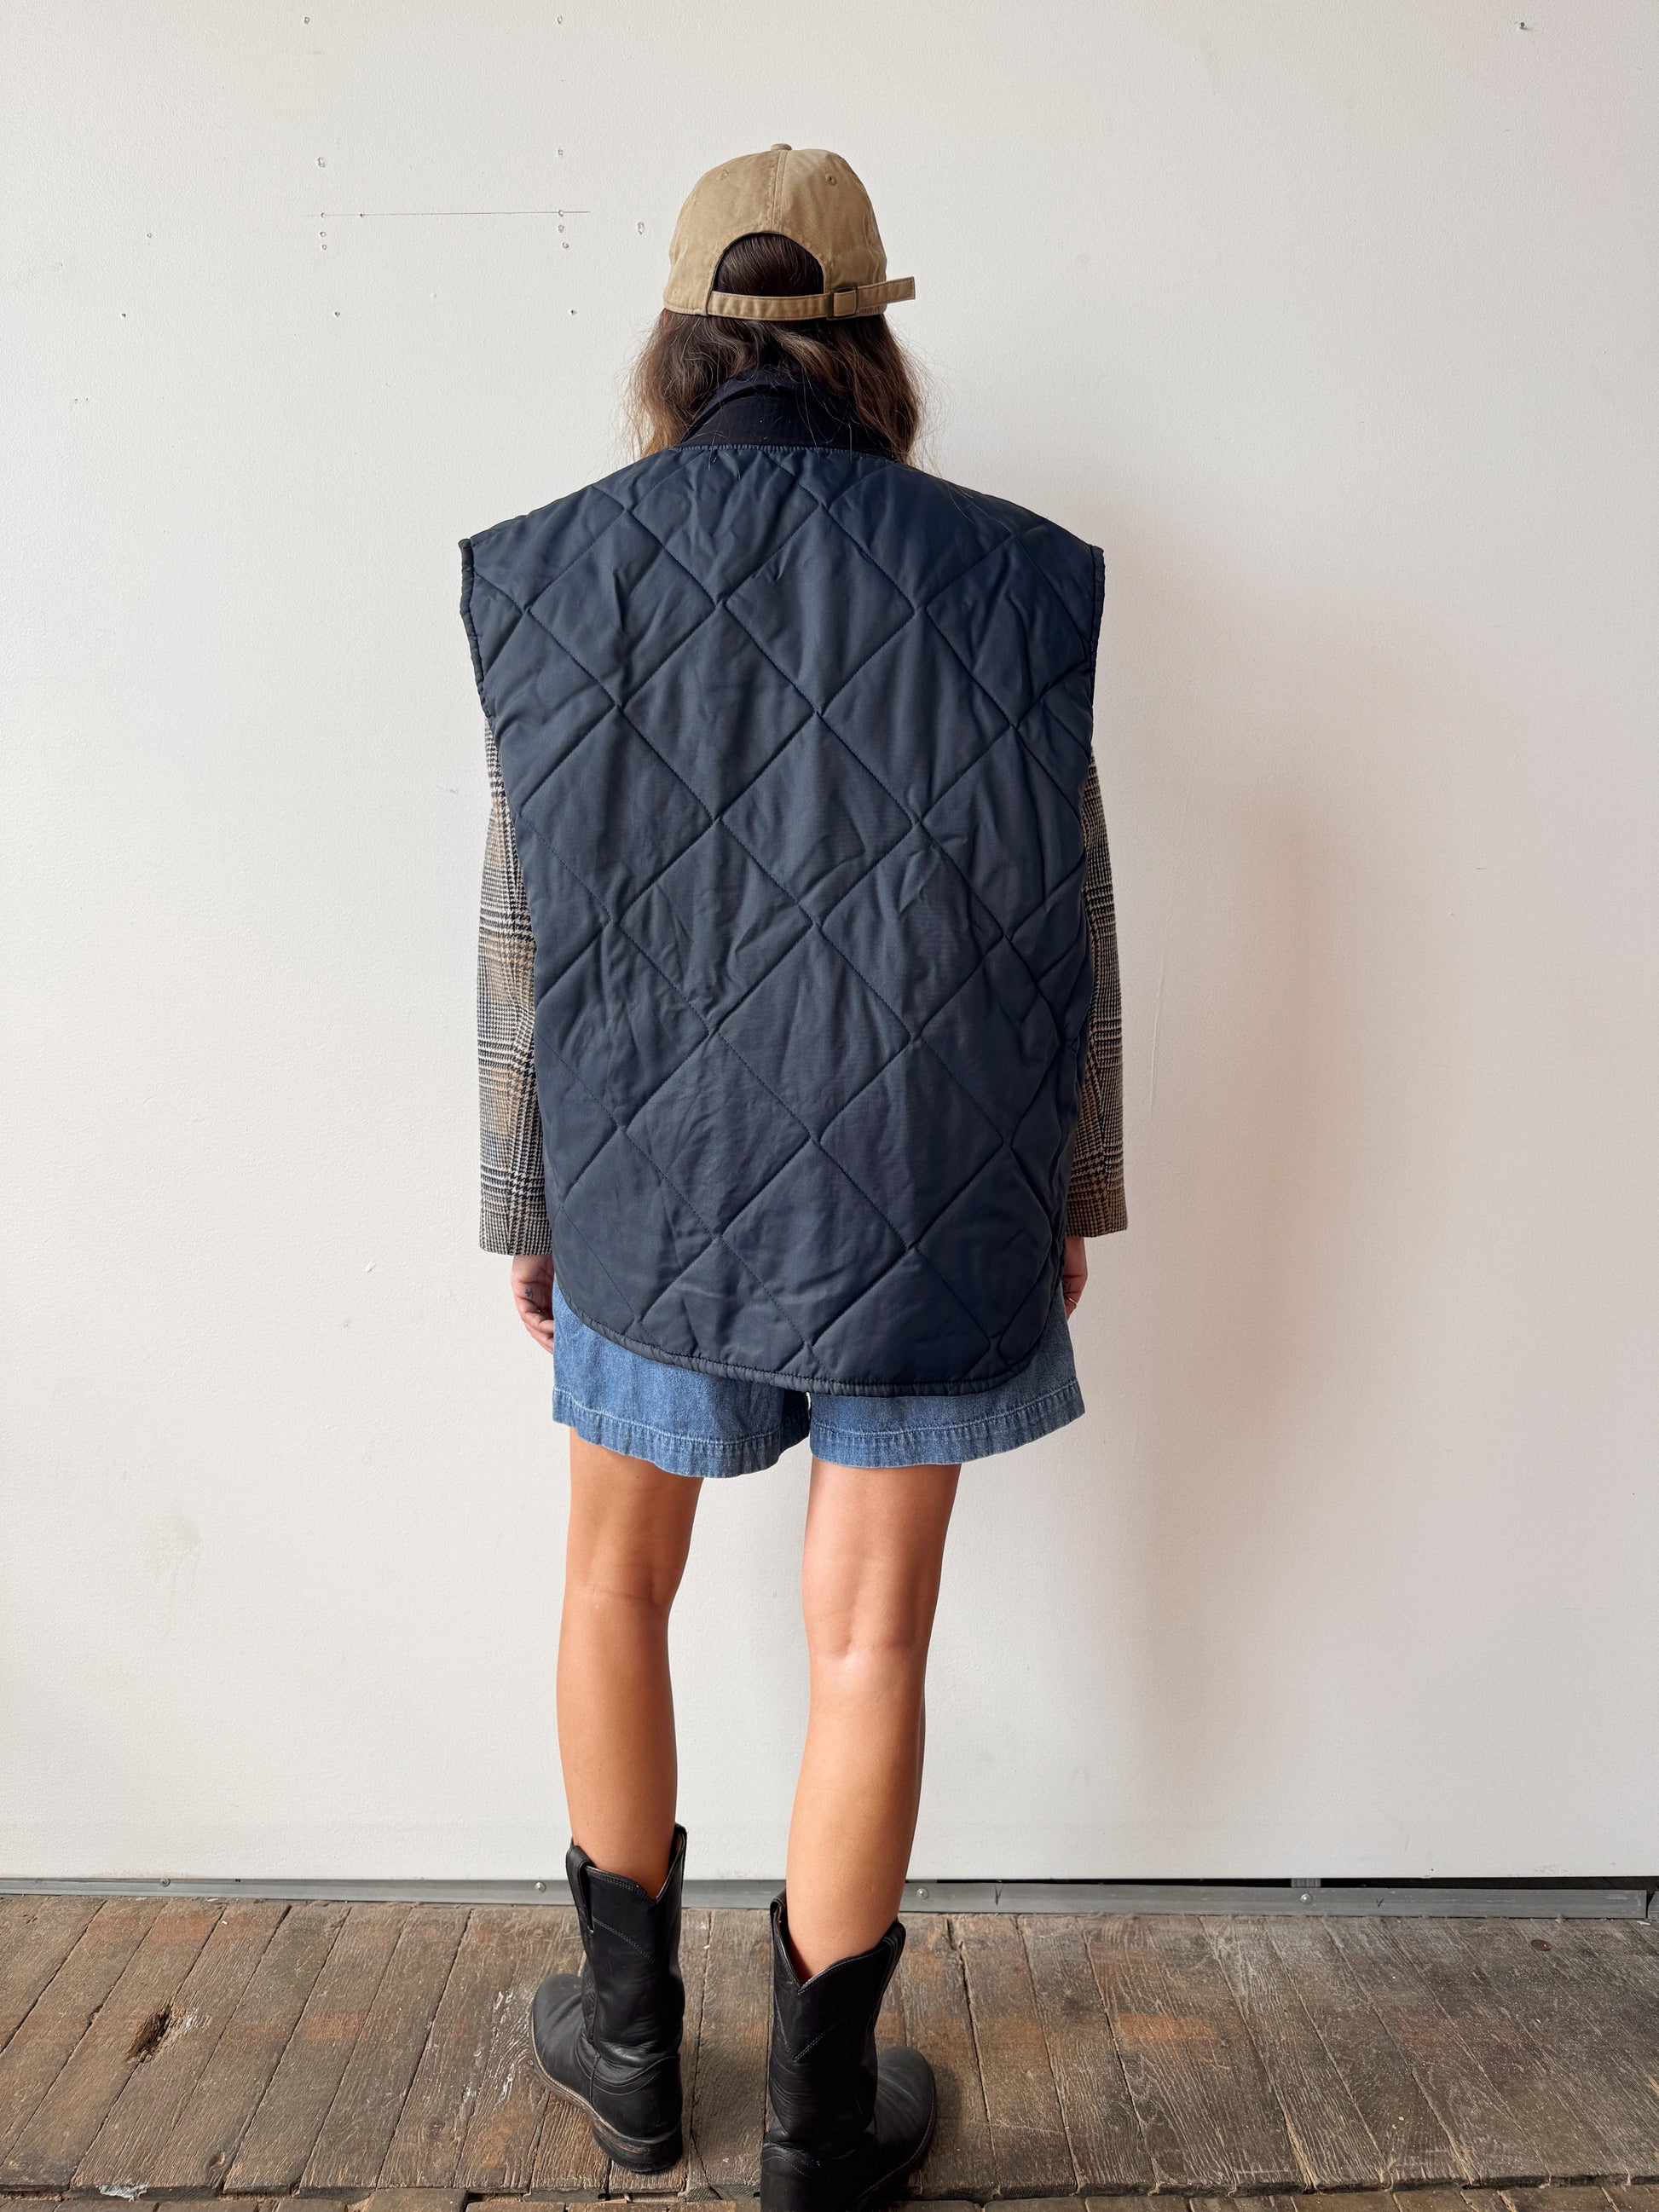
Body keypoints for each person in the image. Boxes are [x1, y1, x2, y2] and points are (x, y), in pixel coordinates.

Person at [463, 144, 1124, 2212]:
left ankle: (630, 2055)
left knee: (610, 1582)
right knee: (870, 1645)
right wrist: (1065, 1186)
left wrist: (525, 1198)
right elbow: (1072, 916)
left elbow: (520, 928)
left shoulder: (561, 571)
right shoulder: (1014, 577)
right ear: (870, 346)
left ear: (682, 343)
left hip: (646, 1172)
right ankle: (819, 2132)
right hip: (931, 1173)